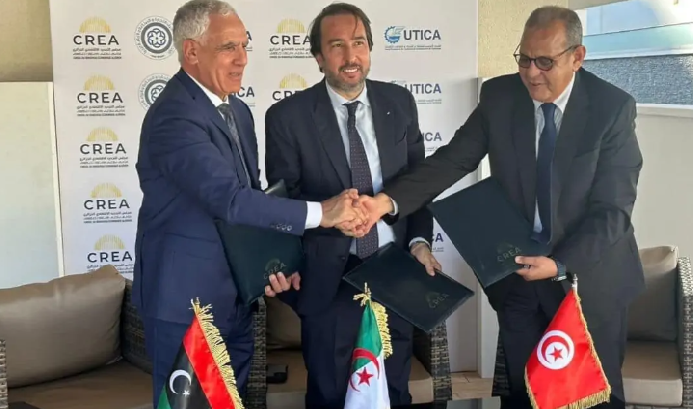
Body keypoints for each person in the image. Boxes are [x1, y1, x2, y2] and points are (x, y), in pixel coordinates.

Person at [349, 6, 645, 409]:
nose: (532, 73)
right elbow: (451, 161)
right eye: (524, 59)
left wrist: (559, 263)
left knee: (592, 399)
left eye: (545, 62)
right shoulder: (500, 96)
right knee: (522, 395)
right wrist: (384, 202)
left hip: (587, 280)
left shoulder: (612, 108)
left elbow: (613, 210)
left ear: (577, 57)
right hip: (518, 278)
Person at [132, 1, 365, 406]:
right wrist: (323, 212)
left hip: (237, 299)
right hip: (187, 305)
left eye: (244, 45)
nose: (242, 59)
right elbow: (231, 200)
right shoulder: (174, 116)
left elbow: (255, 200)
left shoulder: (237, 111)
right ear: (191, 51)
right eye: (228, 47)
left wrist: (279, 264)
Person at [263, 3, 441, 408]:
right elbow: (285, 203)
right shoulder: (287, 117)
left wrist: (419, 243)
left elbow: (418, 184)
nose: (350, 56)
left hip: (394, 271)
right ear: (318, 57)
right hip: (328, 276)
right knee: (331, 394)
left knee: (392, 392)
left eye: (359, 43)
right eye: (337, 45)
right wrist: (330, 218)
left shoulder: (400, 103)